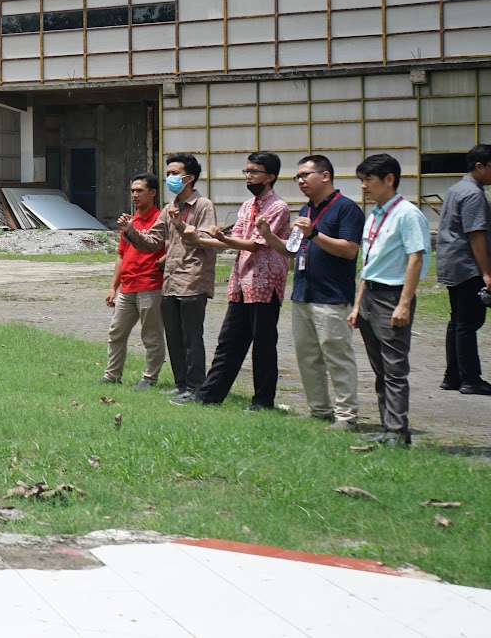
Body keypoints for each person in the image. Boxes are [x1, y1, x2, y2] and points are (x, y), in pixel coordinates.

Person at [172, 152, 291, 411]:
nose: (248, 177)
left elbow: (254, 244)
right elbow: (234, 240)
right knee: (229, 342)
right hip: (241, 283)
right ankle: (209, 395)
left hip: (265, 284)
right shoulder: (247, 206)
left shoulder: (278, 207)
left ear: (270, 177)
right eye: (247, 171)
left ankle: (263, 401)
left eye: (254, 172)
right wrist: (202, 240)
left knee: (263, 345)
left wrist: (220, 239)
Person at [256, 155, 364, 429]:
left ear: (325, 176)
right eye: (298, 177)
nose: (301, 181)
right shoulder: (306, 210)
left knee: (337, 357)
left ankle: (346, 415)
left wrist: (314, 234)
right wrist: (268, 235)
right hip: (303, 294)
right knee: (308, 357)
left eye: (306, 175)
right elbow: (291, 250)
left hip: (332, 296)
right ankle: (319, 410)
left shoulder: (346, 209)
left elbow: (350, 250)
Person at [348, 153, 431, 445]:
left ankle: (397, 431)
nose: (363, 186)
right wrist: (358, 304)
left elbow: (415, 259)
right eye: (362, 180)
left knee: (394, 368)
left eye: (368, 180)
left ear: (389, 179)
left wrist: (404, 304)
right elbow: (369, 263)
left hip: (392, 296)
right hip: (370, 295)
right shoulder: (374, 215)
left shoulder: (408, 214)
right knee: (379, 368)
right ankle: (387, 427)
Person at [121, 153, 218, 398]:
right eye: (168, 174)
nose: (170, 178)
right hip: (170, 281)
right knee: (174, 337)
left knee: (191, 338)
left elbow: (206, 240)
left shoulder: (203, 205)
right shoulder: (169, 208)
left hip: (193, 280)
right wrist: (131, 231)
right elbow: (153, 242)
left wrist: (181, 226)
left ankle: (196, 387)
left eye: (175, 173)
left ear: (190, 178)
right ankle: (182, 384)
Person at [436, 144, 491, 396]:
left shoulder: (456, 188)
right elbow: (475, 235)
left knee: (458, 321)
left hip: (452, 263)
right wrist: (487, 273)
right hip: (467, 266)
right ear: (479, 166)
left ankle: (453, 376)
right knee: (469, 323)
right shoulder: (473, 194)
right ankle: (471, 379)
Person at [103, 174, 166, 389]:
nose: (135, 195)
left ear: (153, 193)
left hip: (150, 285)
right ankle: (112, 376)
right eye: (132, 191)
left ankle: (149, 379)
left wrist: (160, 265)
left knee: (151, 336)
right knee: (116, 332)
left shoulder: (161, 220)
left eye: (140, 190)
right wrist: (113, 287)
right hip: (128, 286)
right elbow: (121, 255)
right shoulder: (130, 222)